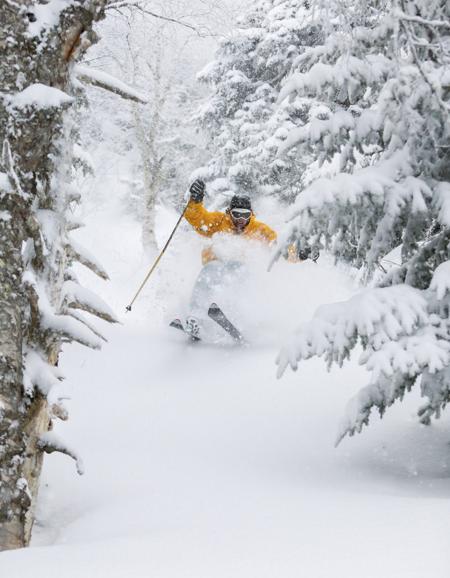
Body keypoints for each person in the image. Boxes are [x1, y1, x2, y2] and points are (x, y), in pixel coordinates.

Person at [182, 179, 311, 338]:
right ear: (230, 212)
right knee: (209, 271)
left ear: (251, 215)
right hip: (215, 263)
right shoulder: (219, 221)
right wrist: (195, 200)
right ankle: (195, 317)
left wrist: (298, 254)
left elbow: (279, 248)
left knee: (240, 272)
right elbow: (198, 219)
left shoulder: (259, 230)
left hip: (239, 267)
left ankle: (237, 317)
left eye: (245, 215)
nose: (241, 220)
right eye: (237, 214)